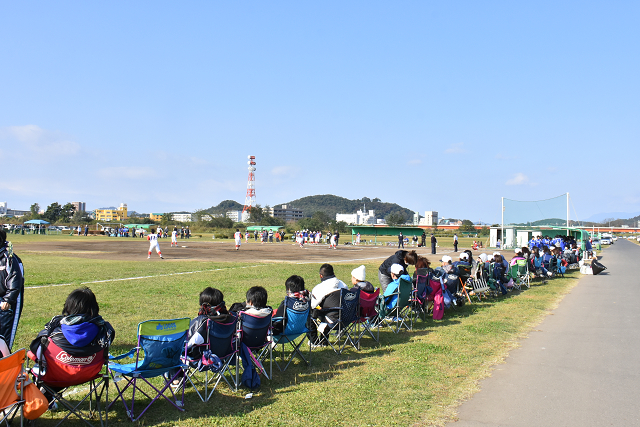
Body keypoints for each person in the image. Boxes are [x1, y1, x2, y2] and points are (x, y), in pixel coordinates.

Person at [30, 287, 115, 405]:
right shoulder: (104, 332)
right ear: (94, 308)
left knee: (40, 366)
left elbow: (37, 353)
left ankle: (44, 398)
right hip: (89, 374)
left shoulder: (51, 334)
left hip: (57, 375)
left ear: (68, 306)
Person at [309, 264, 348, 345]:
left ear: (321, 275)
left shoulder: (319, 288)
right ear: (333, 273)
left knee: (309, 313)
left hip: (330, 320)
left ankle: (314, 341)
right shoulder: (344, 285)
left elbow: (312, 305)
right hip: (346, 319)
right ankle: (323, 340)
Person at [0, 229, 24, 351]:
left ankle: (4, 364)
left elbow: (15, 279)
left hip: (6, 303)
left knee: (4, 337)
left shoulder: (9, 258)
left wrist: (8, 299)